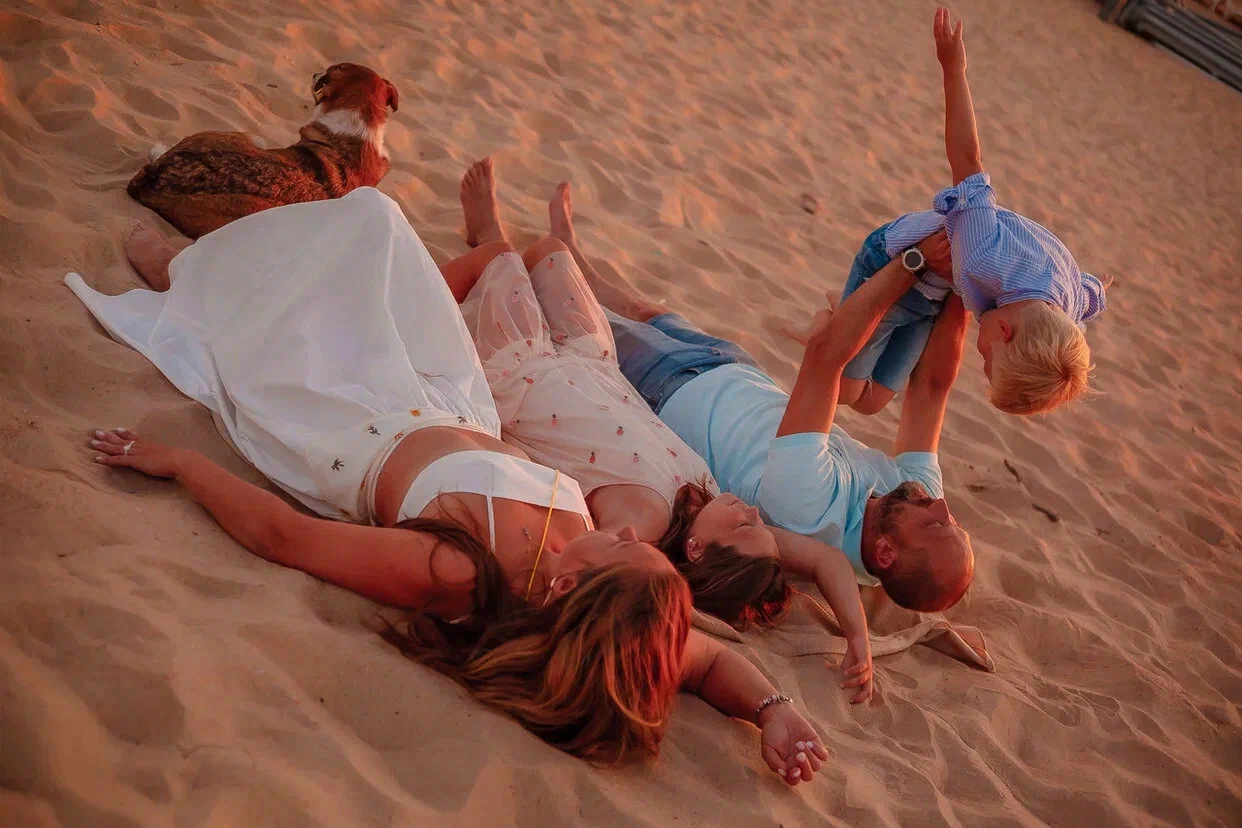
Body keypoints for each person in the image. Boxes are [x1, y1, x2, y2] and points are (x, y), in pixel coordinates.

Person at [67, 188, 829, 781]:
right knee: (379, 220)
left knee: (316, 277)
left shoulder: (460, 569)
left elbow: (284, 537)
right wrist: (774, 711)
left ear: (569, 588)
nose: (631, 532)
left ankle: (184, 276)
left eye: (626, 548)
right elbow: (706, 662)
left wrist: (181, 464)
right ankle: (224, 266)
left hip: (350, 418)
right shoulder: (615, 601)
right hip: (447, 396)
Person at [443, 161, 876, 702]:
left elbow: (605, 581)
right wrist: (857, 637)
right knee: (549, 251)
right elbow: (825, 559)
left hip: (524, 375)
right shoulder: (708, 500)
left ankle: (482, 232)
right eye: (757, 522)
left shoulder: (641, 523)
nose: (751, 512)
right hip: (591, 361)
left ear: (695, 550)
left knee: (501, 256)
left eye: (744, 526)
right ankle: (492, 246)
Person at [548, 184, 975, 615]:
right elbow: (931, 389)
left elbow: (826, 356)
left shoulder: (810, 510)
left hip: (673, 388)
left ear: (884, 552)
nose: (941, 506)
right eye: (956, 523)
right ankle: (576, 256)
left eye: (937, 525)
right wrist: (966, 279)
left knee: (563, 305)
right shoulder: (914, 496)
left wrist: (913, 262)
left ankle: (527, 253)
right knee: (642, 310)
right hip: (739, 372)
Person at [835, 7, 1107, 417]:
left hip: (932, 293)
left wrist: (1101, 291)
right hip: (893, 262)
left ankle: (840, 315)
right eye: (986, 360)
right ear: (1003, 329)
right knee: (845, 388)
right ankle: (832, 321)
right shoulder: (983, 254)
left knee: (872, 404)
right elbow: (967, 160)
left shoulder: (1062, 309)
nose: (981, 360)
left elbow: (1088, 298)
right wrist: (953, 69)